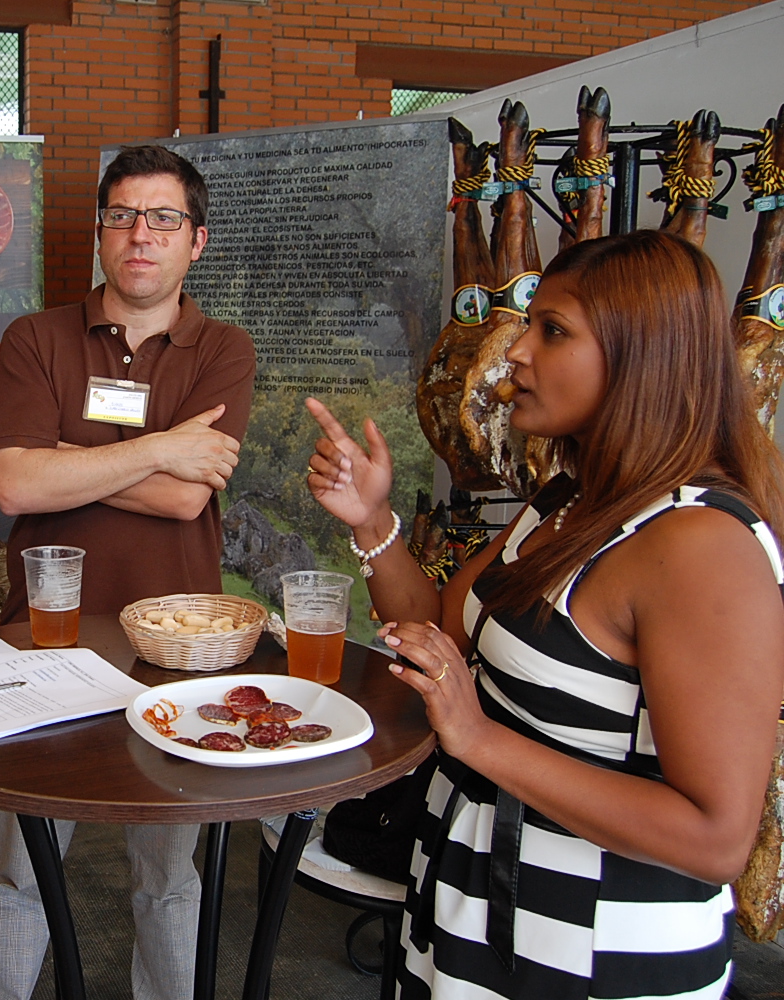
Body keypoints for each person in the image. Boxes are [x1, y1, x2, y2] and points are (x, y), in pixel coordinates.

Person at [305, 229, 784, 999]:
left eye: (551, 330)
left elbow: (716, 836)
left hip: (591, 954)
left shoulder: (701, 545)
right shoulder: (570, 501)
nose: (514, 352)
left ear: (643, 357)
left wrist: (477, 738)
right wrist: (372, 521)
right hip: (472, 909)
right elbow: (441, 633)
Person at [0, 145, 256, 1000]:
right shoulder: (38, 338)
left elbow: (183, 504)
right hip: (42, 644)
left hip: (179, 651)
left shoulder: (222, 349)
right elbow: (15, 482)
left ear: (196, 240)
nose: (142, 235)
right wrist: (163, 449)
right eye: (123, 216)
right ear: (100, 233)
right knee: (23, 872)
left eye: (164, 218)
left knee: (169, 878)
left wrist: (73, 457)